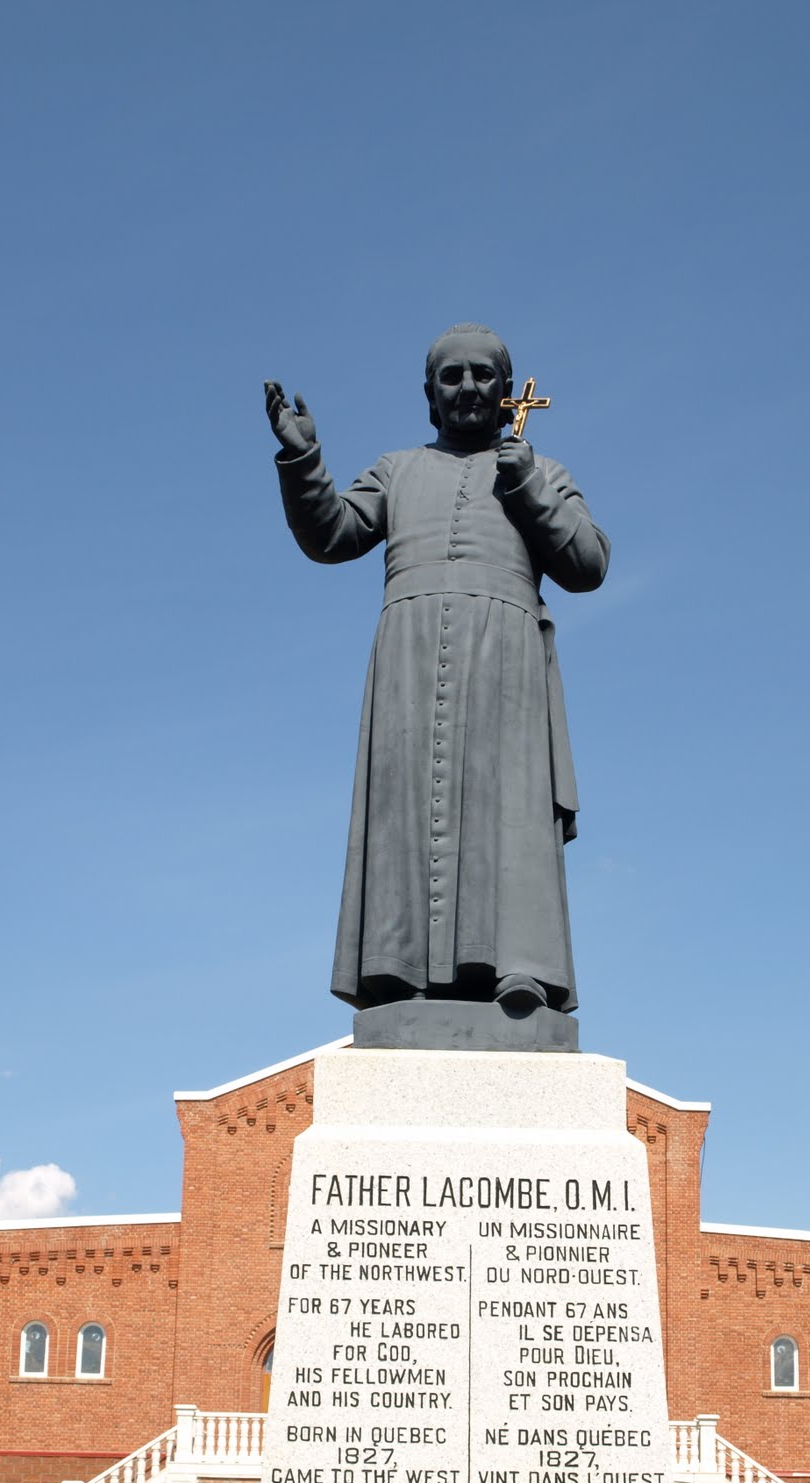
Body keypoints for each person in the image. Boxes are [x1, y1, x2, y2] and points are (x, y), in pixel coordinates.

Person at [264, 324, 609, 1020]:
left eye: (484, 375)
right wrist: (303, 462)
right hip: (409, 659)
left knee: (508, 804)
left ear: (507, 391)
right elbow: (332, 535)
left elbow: (589, 565)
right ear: (430, 395)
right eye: (451, 377)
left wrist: (528, 489)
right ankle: (394, 969)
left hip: (507, 658)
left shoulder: (542, 472)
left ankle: (524, 970)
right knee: (403, 805)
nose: (469, 387)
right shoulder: (395, 470)